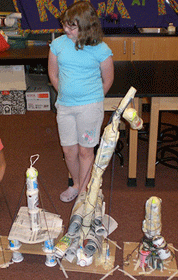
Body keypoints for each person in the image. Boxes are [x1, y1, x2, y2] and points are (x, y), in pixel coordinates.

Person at [48, 1, 114, 203]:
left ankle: (84, 191)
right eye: (65, 25)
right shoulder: (58, 44)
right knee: (69, 150)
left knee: (86, 151)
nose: (65, 29)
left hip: (89, 107)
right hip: (65, 106)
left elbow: (108, 79)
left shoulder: (101, 49)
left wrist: (91, 98)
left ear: (86, 26)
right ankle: (76, 185)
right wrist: (67, 94)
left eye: (72, 26)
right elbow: (53, 73)